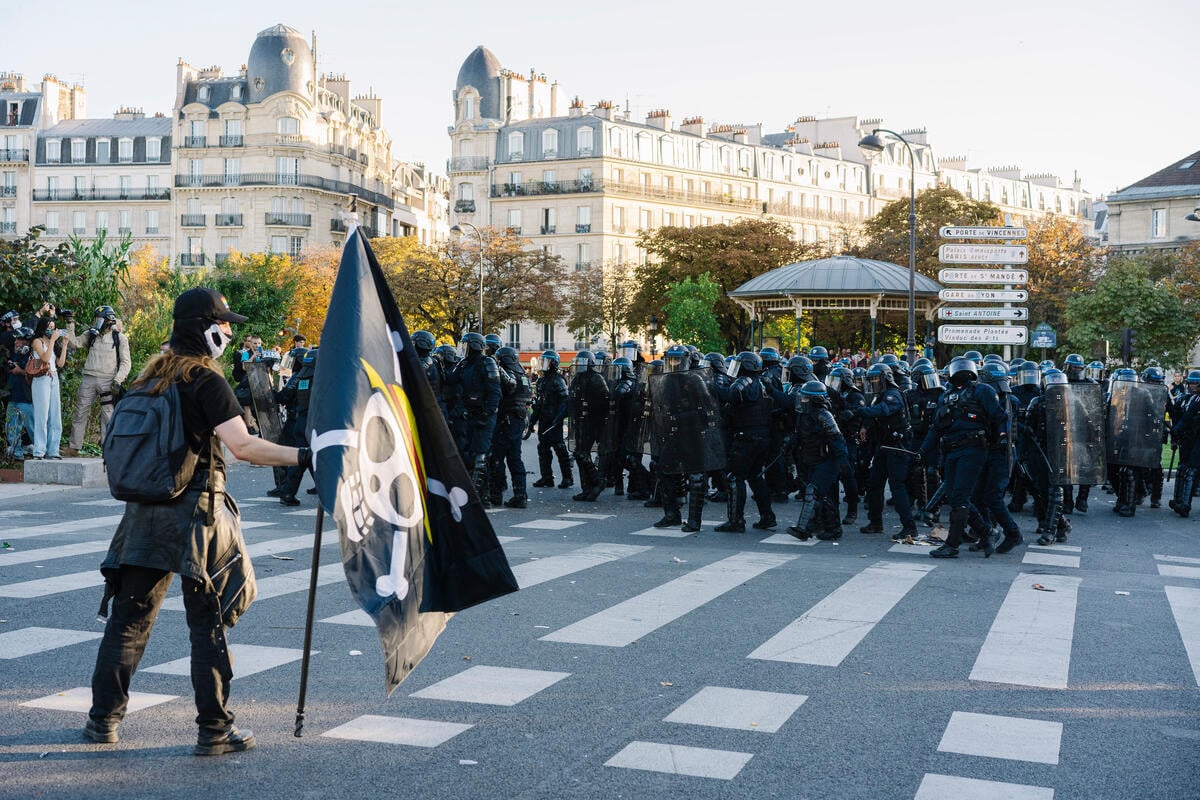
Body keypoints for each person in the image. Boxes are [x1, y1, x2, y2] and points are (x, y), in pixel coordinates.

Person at [86, 287, 310, 755]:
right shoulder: (205, 382)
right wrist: (307, 457)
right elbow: (243, 447)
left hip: (143, 514)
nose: (229, 330)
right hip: (195, 517)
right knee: (206, 624)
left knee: (128, 621)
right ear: (205, 330)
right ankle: (214, 730)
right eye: (224, 323)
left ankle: (102, 721)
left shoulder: (149, 379)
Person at [716, 351, 776, 533]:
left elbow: (729, 395)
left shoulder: (745, 381)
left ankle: (736, 520)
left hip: (746, 437)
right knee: (756, 477)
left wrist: (708, 386)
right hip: (762, 436)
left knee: (735, 477)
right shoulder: (763, 382)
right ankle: (767, 517)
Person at [64, 305, 131, 456]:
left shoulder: (119, 338)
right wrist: (70, 323)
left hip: (108, 380)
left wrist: (118, 380)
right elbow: (74, 344)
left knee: (108, 415)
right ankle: (74, 447)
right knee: (80, 412)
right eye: (95, 319)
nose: (96, 322)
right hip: (89, 378)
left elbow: (126, 362)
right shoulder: (91, 334)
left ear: (108, 320)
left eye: (99, 319)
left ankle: (108, 449)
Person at [489, 346, 533, 508]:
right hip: (518, 420)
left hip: (505, 420)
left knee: (497, 458)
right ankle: (520, 494)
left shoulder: (507, 376)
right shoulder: (523, 375)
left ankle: (496, 494)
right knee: (515, 458)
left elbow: (501, 393)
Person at [567, 350, 610, 502]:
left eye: (582, 362)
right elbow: (571, 397)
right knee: (579, 454)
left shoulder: (597, 378)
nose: (579, 365)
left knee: (583, 454)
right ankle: (587, 489)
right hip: (580, 421)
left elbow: (605, 401)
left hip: (594, 422)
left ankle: (598, 481)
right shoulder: (577, 378)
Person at [530, 350, 572, 489]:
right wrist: (532, 421)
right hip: (544, 419)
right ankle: (546, 477)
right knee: (543, 449)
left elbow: (565, 401)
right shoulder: (542, 380)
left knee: (559, 448)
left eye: (545, 361)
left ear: (553, 363)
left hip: (554, 420)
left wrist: (558, 418)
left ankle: (568, 478)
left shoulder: (558, 380)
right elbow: (539, 403)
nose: (542, 364)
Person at [29, 311, 67, 460]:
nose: (52, 330)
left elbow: (60, 363)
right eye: (50, 327)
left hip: (54, 377)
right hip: (41, 379)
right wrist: (52, 341)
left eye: (54, 327)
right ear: (43, 328)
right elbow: (44, 358)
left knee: (55, 416)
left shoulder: (53, 343)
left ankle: (53, 450)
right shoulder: (37, 341)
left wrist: (63, 345)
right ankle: (39, 451)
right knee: (42, 416)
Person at [4, 327, 35, 459]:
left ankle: (42, 452)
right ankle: (16, 453)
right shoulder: (16, 354)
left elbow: (35, 375)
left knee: (33, 428)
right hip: (13, 397)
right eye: (16, 339)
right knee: (11, 427)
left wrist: (20, 371)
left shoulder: (33, 356)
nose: (16, 342)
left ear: (27, 342)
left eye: (19, 339)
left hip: (26, 399)